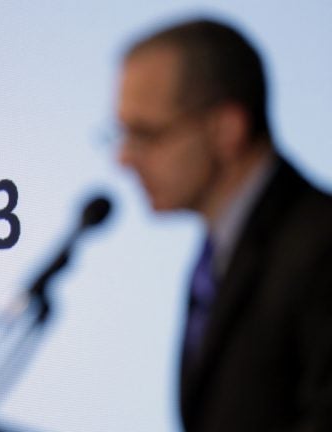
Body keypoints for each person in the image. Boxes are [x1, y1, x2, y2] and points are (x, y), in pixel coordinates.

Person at [116, 18, 332, 431]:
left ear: (225, 129)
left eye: (145, 134)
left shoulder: (320, 243)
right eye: (122, 135)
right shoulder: (218, 256)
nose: (124, 159)